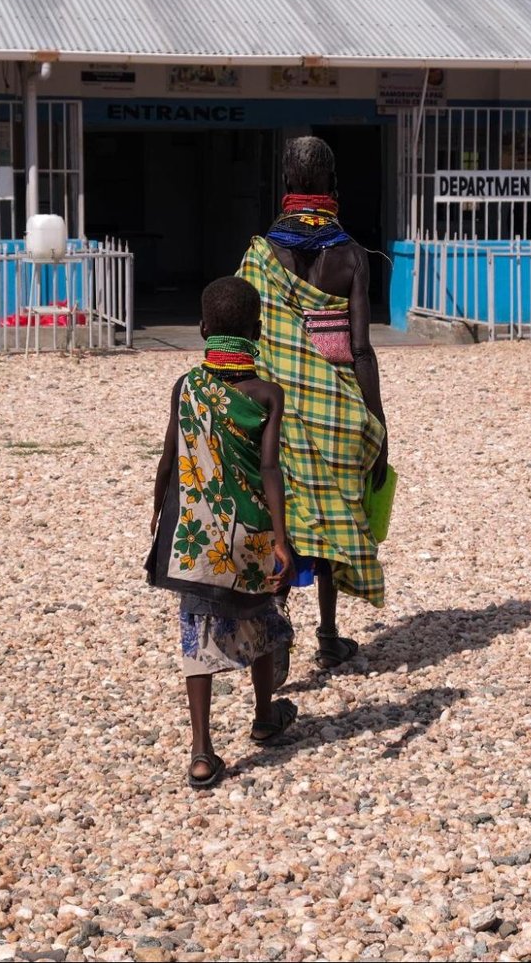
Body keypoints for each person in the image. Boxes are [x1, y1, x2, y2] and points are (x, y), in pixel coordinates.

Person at [237, 136, 388, 670]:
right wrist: (377, 421)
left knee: (284, 516)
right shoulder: (350, 256)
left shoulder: (260, 254)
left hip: (273, 410)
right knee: (329, 518)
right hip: (337, 409)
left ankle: (275, 640)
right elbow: (361, 349)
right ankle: (328, 634)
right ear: (332, 186)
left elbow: (243, 338)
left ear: (286, 184)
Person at [145, 277, 299, 788]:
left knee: (196, 634)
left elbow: (169, 458)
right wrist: (280, 539)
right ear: (256, 331)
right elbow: (270, 470)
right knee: (261, 617)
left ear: (204, 329)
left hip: (196, 538)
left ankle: (202, 752)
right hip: (250, 534)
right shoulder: (267, 394)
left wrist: (155, 515)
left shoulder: (186, 387)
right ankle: (262, 717)